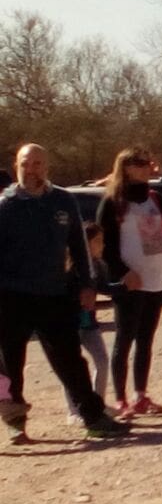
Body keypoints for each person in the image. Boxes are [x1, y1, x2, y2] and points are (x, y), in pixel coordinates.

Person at [0, 144, 129, 441]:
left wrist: (87, 284)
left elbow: (79, 247)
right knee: (11, 364)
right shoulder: (5, 206)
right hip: (12, 297)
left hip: (55, 294)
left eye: (37, 163)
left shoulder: (63, 201)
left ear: (47, 167)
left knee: (71, 361)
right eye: (25, 163)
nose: (31, 169)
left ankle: (93, 417)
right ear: (16, 165)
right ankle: (15, 424)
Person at [97, 147, 162, 419]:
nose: (147, 167)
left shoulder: (153, 197)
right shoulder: (113, 202)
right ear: (127, 167)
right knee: (125, 338)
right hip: (130, 280)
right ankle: (120, 399)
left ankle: (140, 395)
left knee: (146, 340)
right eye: (141, 164)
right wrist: (121, 272)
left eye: (148, 163)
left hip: (156, 278)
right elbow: (103, 245)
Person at [62, 222, 112, 422]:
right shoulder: (67, 266)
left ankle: (97, 404)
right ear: (86, 243)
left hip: (89, 324)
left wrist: (126, 286)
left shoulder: (99, 265)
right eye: (98, 241)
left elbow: (105, 288)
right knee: (71, 367)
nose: (102, 245)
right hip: (69, 325)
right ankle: (73, 410)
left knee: (102, 361)